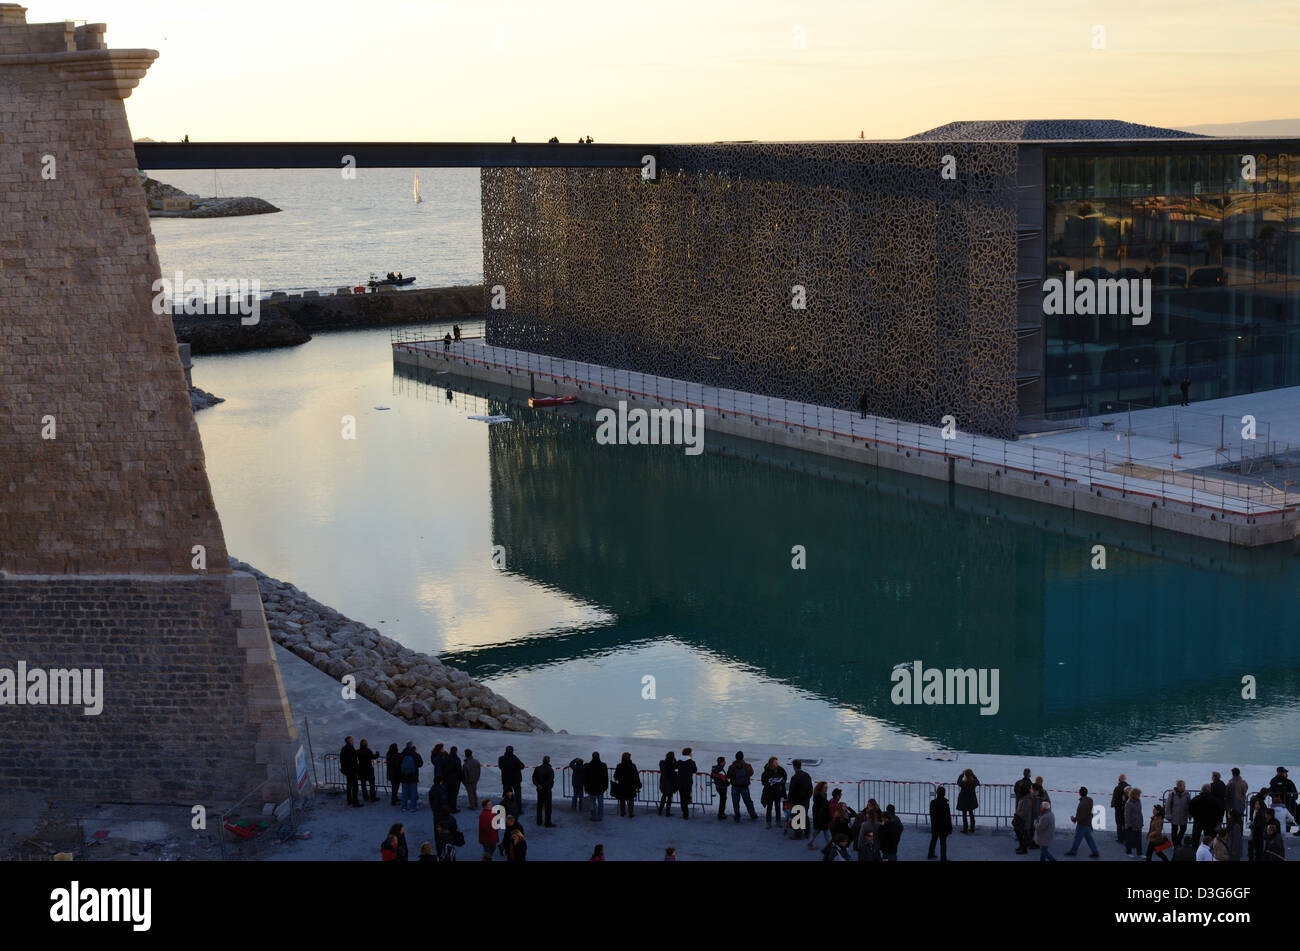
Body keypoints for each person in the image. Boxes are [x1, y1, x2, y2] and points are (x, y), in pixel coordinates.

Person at [1064, 786, 1100, 857]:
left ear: (1080, 793)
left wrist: (1074, 819)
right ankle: (1095, 852)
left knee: (1077, 839)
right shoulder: (1090, 800)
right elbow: (1091, 811)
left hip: (1082, 825)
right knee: (1090, 839)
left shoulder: (1082, 804)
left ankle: (1073, 851)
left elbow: (1081, 816)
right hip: (1088, 823)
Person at [727, 751, 758, 822]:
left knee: (735, 802)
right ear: (742, 757)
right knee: (748, 802)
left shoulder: (732, 766)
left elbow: (729, 775)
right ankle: (753, 815)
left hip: (735, 786)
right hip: (744, 786)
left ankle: (737, 816)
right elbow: (751, 773)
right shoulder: (747, 766)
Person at [760, 756, 788, 828]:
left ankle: (778, 821)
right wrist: (769, 782)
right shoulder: (766, 771)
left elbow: (785, 776)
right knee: (769, 808)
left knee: (777, 807)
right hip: (769, 792)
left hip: (778, 792)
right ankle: (768, 822)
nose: (777, 763)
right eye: (775, 762)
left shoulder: (780, 769)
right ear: (771, 763)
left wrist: (782, 780)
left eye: (777, 762)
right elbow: (763, 781)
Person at [788, 759, 812, 838]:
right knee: (804, 815)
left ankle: (798, 835)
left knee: (796, 817)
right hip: (805, 800)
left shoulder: (795, 777)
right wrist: (807, 797)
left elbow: (791, 790)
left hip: (797, 801)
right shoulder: (807, 775)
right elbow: (810, 788)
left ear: (794, 767)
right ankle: (807, 832)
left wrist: (790, 799)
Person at [928, 786, 953, 861]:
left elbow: (932, 815)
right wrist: (950, 827)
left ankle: (930, 854)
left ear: (937, 793)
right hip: (944, 826)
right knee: (943, 843)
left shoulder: (933, 802)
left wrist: (933, 824)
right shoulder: (946, 802)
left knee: (933, 840)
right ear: (944, 794)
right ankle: (943, 858)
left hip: (935, 825)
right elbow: (948, 816)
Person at [613, 751, 640, 817]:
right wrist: (638, 784)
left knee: (622, 799)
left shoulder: (619, 766)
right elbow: (636, 776)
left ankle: (622, 812)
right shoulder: (633, 766)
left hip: (622, 785)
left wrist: (620, 778)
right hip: (631, 786)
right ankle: (631, 813)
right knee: (631, 799)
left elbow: (615, 776)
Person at [532, 755, 556, 827]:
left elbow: (533, 778)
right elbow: (550, 780)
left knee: (539, 805)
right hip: (547, 790)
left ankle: (539, 821)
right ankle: (547, 822)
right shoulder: (550, 769)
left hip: (539, 790)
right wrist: (543, 786)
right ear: (548, 761)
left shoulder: (537, 768)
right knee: (548, 807)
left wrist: (538, 785)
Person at [1165, 780, 1190, 847]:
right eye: (1184, 786)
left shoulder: (1187, 794)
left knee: (1183, 829)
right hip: (1174, 816)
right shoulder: (1172, 794)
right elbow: (1168, 806)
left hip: (1183, 815)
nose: (1185, 787)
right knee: (1174, 830)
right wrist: (1168, 816)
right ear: (1179, 786)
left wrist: (1189, 815)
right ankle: (1175, 844)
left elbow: (1189, 805)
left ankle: (1177, 842)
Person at [398, 742, 422, 812]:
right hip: (413, 776)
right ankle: (412, 807)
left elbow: (398, 763)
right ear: (412, 746)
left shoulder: (402, 754)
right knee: (413, 792)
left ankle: (404, 807)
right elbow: (420, 764)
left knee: (404, 792)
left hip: (404, 776)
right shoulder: (415, 755)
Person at [584, 751, 609, 821]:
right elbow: (606, 777)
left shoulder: (588, 765)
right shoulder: (603, 765)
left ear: (592, 756)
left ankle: (593, 816)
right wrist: (606, 786)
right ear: (599, 756)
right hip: (601, 787)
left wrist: (585, 787)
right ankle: (600, 816)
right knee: (600, 802)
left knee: (592, 802)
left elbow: (586, 778)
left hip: (591, 788)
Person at [809, 781, 832, 849]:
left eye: (827, 787)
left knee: (821, 832)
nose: (826, 788)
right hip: (820, 819)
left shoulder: (823, 795)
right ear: (820, 788)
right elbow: (819, 810)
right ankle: (831, 846)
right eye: (825, 787)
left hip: (822, 819)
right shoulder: (819, 798)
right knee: (824, 832)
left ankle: (810, 843)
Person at [956, 768, 979, 834]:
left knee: (964, 815)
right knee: (971, 814)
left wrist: (961, 774)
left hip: (963, 801)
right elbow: (977, 781)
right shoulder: (973, 782)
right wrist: (973, 775)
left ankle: (965, 829)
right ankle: (972, 828)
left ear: (965, 775)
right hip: (971, 801)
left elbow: (958, 781)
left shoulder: (963, 783)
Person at [675, 748, 697, 819]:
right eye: (691, 753)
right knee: (687, 796)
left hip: (680, 782)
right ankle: (686, 811)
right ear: (688, 754)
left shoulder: (679, 761)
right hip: (688, 782)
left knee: (682, 798)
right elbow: (695, 770)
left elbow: (675, 767)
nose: (692, 754)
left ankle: (685, 813)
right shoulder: (691, 762)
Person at [340, 736, 361, 808]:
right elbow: (353, 760)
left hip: (347, 770)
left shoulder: (344, 748)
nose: (353, 740)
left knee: (349, 785)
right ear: (349, 741)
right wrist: (356, 769)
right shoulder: (350, 749)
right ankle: (355, 802)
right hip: (352, 770)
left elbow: (342, 760)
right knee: (355, 786)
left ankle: (349, 800)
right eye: (352, 739)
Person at [657, 751, 678, 816]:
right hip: (669, 782)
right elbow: (675, 767)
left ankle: (660, 810)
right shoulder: (671, 764)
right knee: (669, 797)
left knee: (664, 796)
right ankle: (667, 812)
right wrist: (675, 760)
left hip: (663, 781)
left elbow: (661, 764)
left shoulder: (662, 763)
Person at [1124, 787, 1144, 858]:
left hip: (1138, 823)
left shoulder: (1139, 801)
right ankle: (1128, 852)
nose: (1139, 796)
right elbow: (1127, 815)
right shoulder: (1128, 803)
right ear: (1134, 794)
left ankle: (1140, 853)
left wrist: (1142, 822)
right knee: (1129, 840)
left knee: (1139, 840)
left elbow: (1140, 812)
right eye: (1138, 794)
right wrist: (1128, 825)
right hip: (1131, 825)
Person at [1110, 773, 1130, 843]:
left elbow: (1115, 798)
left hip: (1118, 808)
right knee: (1125, 823)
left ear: (1119, 780)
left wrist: (1113, 805)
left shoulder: (1117, 788)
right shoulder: (1129, 787)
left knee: (1119, 823)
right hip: (1127, 809)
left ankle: (1120, 838)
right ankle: (1125, 837)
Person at [444, 746, 463, 812]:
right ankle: (453, 808)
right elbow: (459, 770)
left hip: (447, 779)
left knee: (448, 793)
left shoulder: (446, 758)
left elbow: (444, 768)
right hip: (455, 780)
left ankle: (447, 807)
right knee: (454, 795)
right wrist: (460, 778)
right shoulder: (457, 759)